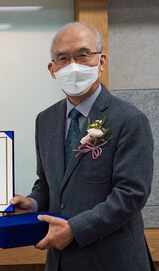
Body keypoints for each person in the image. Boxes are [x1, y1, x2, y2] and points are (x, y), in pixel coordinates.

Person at [8, 22, 155, 271]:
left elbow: (131, 194)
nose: (72, 65)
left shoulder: (129, 119)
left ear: (101, 61)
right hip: (61, 260)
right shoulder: (45, 120)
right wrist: (32, 204)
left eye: (83, 55)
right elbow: (47, 182)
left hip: (114, 260)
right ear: (52, 69)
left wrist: (75, 229)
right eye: (63, 58)